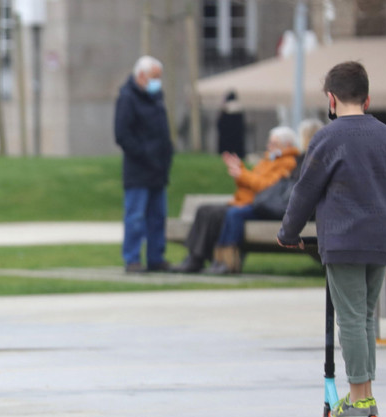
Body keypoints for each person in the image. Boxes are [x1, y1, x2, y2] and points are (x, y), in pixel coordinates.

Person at [277, 61, 386, 417]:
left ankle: (362, 401)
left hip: (344, 239)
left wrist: (288, 232)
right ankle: (364, 394)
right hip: (381, 239)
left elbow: (305, 191)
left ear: (331, 99)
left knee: (349, 317)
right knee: (364, 316)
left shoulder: (328, 138)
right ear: (367, 98)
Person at [172, 126, 300, 273]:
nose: (269, 146)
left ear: (287, 145)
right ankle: (195, 257)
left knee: (230, 215)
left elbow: (267, 187)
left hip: (261, 205)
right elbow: (252, 181)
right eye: (270, 142)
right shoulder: (268, 160)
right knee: (205, 210)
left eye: (274, 143)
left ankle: (224, 261)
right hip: (247, 201)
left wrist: (242, 174)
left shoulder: (288, 162)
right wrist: (240, 169)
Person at [114, 55, 174, 273]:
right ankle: (132, 259)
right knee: (136, 218)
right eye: (155, 77)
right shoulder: (127, 98)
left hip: (158, 170)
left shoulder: (157, 97)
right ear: (141, 75)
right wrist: (145, 154)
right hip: (139, 170)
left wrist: (166, 156)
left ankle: (156, 257)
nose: (158, 81)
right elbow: (122, 135)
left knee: (157, 217)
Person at [217, 90, 245, 159]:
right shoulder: (239, 108)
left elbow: (220, 123)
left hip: (226, 135)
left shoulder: (225, 108)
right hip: (237, 136)